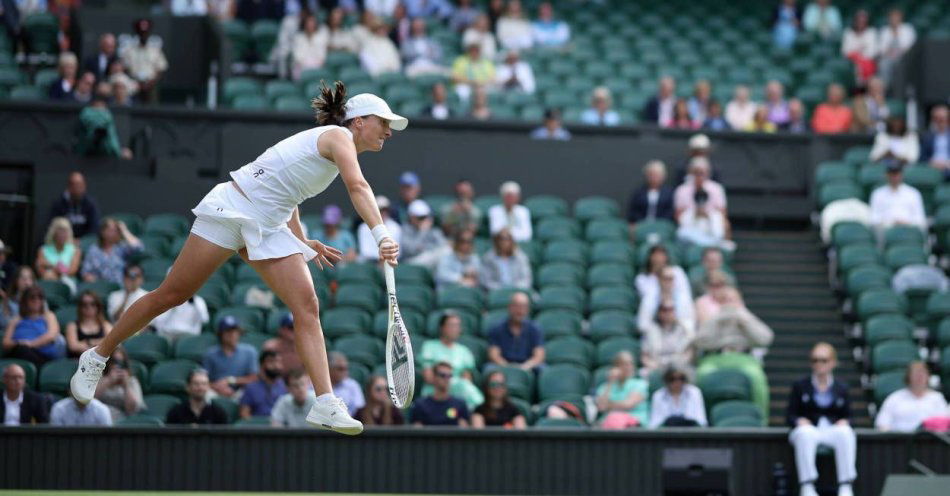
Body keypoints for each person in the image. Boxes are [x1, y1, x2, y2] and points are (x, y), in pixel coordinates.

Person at [78, 84, 404, 430]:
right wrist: (381, 232)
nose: (388, 130)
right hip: (233, 209)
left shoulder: (335, 150)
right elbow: (359, 187)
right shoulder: (338, 137)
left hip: (269, 225)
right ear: (358, 122)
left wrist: (300, 236)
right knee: (172, 295)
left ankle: (324, 402)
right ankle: (97, 355)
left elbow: (290, 191)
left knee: (307, 305)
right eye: (383, 122)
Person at [786, 342, 857, 496]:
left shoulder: (842, 387)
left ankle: (846, 485)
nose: (819, 364)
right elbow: (790, 415)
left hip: (831, 430)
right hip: (809, 430)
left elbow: (849, 416)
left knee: (845, 432)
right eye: (815, 360)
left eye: (823, 360)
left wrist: (846, 421)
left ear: (833, 362)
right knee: (805, 432)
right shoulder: (800, 385)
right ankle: (807, 486)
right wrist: (799, 421)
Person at [692, 273, 773, 352]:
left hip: (741, 349)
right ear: (709, 286)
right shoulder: (702, 302)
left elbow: (766, 338)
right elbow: (701, 336)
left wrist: (741, 318)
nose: (718, 289)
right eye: (714, 285)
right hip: (715, 348)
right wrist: (720, 317)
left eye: (722, 284)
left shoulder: (738, 307)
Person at [419, 312, 483, 410]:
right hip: (434, 391)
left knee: (465, 388)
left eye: (458, 326)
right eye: (452, 325)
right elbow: (428, 377)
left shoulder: (464, 351)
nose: (456, 329)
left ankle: (480, 411)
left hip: (459, 393)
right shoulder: (429, 347)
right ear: (442, 328)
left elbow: (467, 380)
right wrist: (446, 383)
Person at [875, 361, 947, 432]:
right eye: (916, 374)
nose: (919, 377)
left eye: (923, 373)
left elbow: (945, 425)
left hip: (931, 441)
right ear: (908, 377)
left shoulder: (937, 398)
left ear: (928, 376)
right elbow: (882, 424)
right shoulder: (894, 398)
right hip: (899, 440)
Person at [2, 287, 64, 367]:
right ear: (25, 301)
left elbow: (51, 335)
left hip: (42, 355)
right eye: (32, 298)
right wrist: (20, 343)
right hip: (19, 352)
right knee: (22, 351)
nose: (36, 301)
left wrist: (30, 344)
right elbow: (5, 343)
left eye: (40, 298)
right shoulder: (16, 320)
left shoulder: (48, 315)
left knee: (25, 351)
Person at [203, 316, 259, 398]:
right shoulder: (210, 354)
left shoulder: (249, 351)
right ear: (221, 334)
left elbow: (254, 378)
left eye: (235, 331)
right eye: (228, 331)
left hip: (240, 391)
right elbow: (203, 379)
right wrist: (217, 387)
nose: (232, 334)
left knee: (252, 393)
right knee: (205, 393)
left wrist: (230, 380)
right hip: (216, 391)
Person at [487, 292, 544, 370]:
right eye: (516, 306)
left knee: (542, 369)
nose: (520, 310)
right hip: (503, 365)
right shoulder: (497, 328)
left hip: (528, 365)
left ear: (528, 309)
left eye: (523, 307)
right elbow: (494, 355)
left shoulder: (534, 329)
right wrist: (508, 367)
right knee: (489, 369)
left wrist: (524, 367)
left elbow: (539, 356)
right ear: (509, 307)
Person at [80, 218, 143, 284]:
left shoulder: (122, 247)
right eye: (111, 230)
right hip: (100, 288)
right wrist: (97, 283)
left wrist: (124, 230)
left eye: (116, 231)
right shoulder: (94, 249)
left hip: (119, 287)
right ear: (102, 232)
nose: (113, 233)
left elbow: (138, 247)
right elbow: (85, 272)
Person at [595, 351, 649, 429]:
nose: (629, 367)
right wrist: (610, 382)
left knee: (614, 418)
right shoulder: (605, 387)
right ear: (615, 367)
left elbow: (628, 405)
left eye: (631, 364)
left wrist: (609, 405)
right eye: (624, 364)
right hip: (608, 425)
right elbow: (601, 407)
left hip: (634, 425)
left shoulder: (640, 384)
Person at [868, 162, 926, 233]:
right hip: (886, 231)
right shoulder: (877, 193)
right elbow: (874, 218)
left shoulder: (913, 193)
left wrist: (906, 223)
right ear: (886, 175)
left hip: (909, 230)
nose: (894, 177)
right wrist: (890, 223)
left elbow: (920, 219)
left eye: (896, 173)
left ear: (902, 175)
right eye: (891, 174)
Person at [120, 18, 168, 103]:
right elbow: (125, 68)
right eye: (141, 33)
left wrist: (151, 83)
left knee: (153, 93)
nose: (143, 35)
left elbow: (161, 69)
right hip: (133, 83)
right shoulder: (129, 51)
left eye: (145, 33)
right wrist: (135, 82)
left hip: (151, 84)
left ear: (149, 33)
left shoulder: (155, 50)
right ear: (137, 33)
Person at [635, 245, 692, 314]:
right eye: (656, 256)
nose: (659, 258)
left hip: (677, 312)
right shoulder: (641, 278)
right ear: (650, 257)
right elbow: (649, 298)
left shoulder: (677, 271)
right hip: (653, 313)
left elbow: (684, 292)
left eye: (661, 255)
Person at [640, 302, 694, 375]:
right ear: (659, 312)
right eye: (664, 310)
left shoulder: (682, 329)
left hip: (678, 364)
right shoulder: (650, 330)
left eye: (670, 310)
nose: (667, 313)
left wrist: (681, 362)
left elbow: (689, 352)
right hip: (656, 364)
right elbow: (645, 356)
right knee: (643, 373)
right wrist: (653, 365)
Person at [410, 361, 470, 427]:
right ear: (434, 377)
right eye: (442, 375)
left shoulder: (460, 404)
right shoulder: (420, 405)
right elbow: (417, 433)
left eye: (450, 376)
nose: (447, 379)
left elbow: (464, 433)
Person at [95, 346, 145, 422]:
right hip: (99, 418)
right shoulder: (99, 378)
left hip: (122, 421)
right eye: (114, 361)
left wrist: (126, 386)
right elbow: (88, 401)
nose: (117, 366)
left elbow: (132, 410)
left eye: (121, 362)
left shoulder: (132, 381)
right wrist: (108, 381)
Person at [49, 171, 100, 239]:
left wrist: (82, 241)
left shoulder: (90, 204)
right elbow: (53, 226)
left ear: (84, 186)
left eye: (80, 185)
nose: (77, 188)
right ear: (69, 186)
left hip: (84, 243)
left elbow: (94, 228)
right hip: (64, 242)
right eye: (74, 185)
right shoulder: (59, 204)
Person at [628, 160, 675, 230]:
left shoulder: (669, 193)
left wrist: (658, 224)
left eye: (657, 175)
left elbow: (670, 212)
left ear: (663, 176)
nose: (654, 178)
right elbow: (633, 212)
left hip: (662, 226)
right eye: (651, 175)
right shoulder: (638, 192)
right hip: (641, 226)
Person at [240, 350, 287, 419]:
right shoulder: (251, 388)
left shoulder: (286, 387)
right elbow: (244, 414)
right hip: (259, 427)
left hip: (282, 427)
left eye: (278, 362)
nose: (276, 365)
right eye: (271, 362)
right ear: (262, 365)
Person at [401, 200, 447, 269]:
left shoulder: (432, 230)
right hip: (411, 262)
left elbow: (442, 245)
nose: (424, 220)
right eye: (421, 218)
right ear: (412, 217)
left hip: (430, 261)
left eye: (426, 217)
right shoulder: (405, 229)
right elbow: (410, 250)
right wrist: (422, 231)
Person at [35, 217, 81, 286]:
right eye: (60, 231)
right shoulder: (42, 250)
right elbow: (40, 270)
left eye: (65, 231)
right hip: (48, 280)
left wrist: (51, 266)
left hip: (68, 283)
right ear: (53, 233)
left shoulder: (75, 250)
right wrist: (57, 268)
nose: (62, 235)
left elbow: (72, 271)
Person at [65, 290, 111, 357]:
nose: (89, 307)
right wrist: (100, 343)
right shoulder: (72, 326)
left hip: (102, 360)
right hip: (79, 360)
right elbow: (73, 346)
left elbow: (113, 342)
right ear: (80, 307)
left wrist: (88, 342)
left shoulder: (105, 324)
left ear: (98, 306)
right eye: (84, 304)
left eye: (93, 304)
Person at [356, 194, 402, 263]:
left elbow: (397, 252)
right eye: (380, 210)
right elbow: (365, 251)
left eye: (385, 210)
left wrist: (384, 258)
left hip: (389, 261)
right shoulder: (363, 227)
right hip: (369, 263)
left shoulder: (395, 227)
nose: (383, 212)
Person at [877, 8, 916, 86]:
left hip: (904, 57)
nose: (894, 19)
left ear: (900, 18)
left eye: (896, 17)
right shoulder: (884, 31)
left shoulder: (908, 29)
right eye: (892, 17)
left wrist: (900, 51)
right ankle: (886, 88)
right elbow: (881, 49)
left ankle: (904, 87)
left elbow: (911, 46)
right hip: (888, 57)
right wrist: (889, 52)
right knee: (883, 64)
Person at [841, 9, 877, 83]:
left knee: (866, 65)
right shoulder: (848, 33)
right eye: (859, 21)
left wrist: (858, 55)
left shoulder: (871, 32)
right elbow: (845, 51)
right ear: (855, 21)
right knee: (854, 67)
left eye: (863, 21)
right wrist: (857, 55)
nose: (861, 23)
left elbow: (872, 52)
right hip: (851, 63)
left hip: (867, 63)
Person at [291, 11, 328, 81]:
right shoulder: (298, 38)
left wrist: (314, 65)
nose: (310, 25)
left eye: (312, 22)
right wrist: (307, 65)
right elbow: (297, 57)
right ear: (304, 24)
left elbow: (322, 56)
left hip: (317, 67)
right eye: (308, 23)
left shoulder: (321, 37)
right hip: (302, 67)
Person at [328, 351, 365, 416]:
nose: (345, 372)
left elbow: (359, 409)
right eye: (340, 369)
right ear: (329, 369)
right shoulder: (315, 384)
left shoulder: (353, 385)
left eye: (346, 369)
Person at [1, 267, 34, 333]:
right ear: (16, 281)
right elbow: (4, 323)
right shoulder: (8, 302)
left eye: (30, 279)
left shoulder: (39, 299)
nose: (27, 283)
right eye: (24, 279)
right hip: (17, 334)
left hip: (38, 332)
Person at [922, 104, 950, 174]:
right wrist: (931, 162)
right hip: (932, 168)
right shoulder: (926, 136)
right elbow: (922, 158)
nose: (940, 122)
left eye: (942, 119)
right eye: (936, 118)